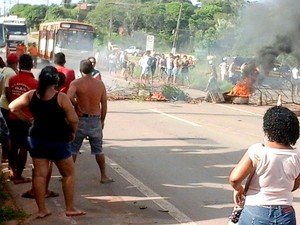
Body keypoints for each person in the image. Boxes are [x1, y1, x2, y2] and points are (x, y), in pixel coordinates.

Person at [8, 65, 86, 218]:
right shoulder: (60, 97)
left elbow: (12, 107)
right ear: (56, 81)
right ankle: (70, 208)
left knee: (39, 175)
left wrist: (28, 120)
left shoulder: (31, 95)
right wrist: (73, 133)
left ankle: (42, 210)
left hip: (36, 138)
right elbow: (73, 119)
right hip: (58, 140)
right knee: (68, 174)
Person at [229, 106, 300, 225]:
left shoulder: (257, 151)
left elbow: (234, 179)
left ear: (267, 130)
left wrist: (239, 189)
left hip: (256, 211)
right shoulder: (298, 156)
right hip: (286, 214)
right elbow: (294, 185)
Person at [67, 59, 113, 184]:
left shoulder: (76, 83)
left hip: (81, 119)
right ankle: (103, 176)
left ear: (80, 70)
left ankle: (68, 174)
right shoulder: (100, 84)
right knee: (98, 149)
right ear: (92, 70)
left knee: (74, 149)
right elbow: (104, 104)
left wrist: (77, 106)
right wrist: (102, 120)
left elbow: (69, 97)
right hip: (95, 119)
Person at [7, 54, 37, 184]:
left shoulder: (12, 79)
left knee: (14, 145)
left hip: (13, 116)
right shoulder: (35, 83)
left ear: (19, 64)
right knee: (24, 147)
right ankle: (18, 175)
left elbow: (9, 96)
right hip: (27, 119)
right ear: (31, 65)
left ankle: (12, 171)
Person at [0, 53, 19, 163]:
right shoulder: (11, 73)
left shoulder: (3, 70)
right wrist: (13, 103)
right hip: (6, 106)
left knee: (3, 132)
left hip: (1, 104)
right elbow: (7, 90)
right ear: (15, 63)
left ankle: (4, 155)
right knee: (8, 133)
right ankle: (6, 157)